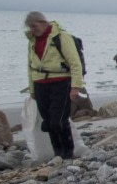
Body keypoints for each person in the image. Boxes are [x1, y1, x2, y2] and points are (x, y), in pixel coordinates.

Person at [25, 12, 84, 160]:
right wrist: (32, 89)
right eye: (30, 27)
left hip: (61, 82)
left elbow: (75, 63)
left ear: (43, 22)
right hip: (40, 84)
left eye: (34, 26)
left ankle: (68, 153)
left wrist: (75, 87)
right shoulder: (32, 41)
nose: (32, 30)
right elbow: (30, 66)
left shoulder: (62, 37)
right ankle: (58, 154)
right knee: (48, 122)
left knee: (58, 120)